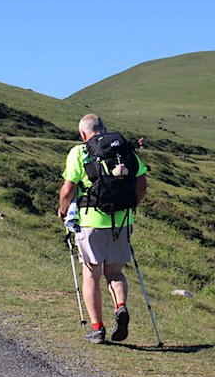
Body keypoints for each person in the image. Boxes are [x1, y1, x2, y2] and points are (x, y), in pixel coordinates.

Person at [57, 114, 148, 344]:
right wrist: (133, 204)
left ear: (83, 134)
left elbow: (68, 189)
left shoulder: (79, 152)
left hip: (91, 222)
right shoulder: (124, 150)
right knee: (114, 272)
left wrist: (63, 210)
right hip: (122, 221)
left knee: (91, 274)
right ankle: (120, 306)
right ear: (105, 129)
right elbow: (142, 182)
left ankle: (97, 329)